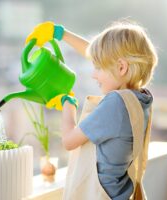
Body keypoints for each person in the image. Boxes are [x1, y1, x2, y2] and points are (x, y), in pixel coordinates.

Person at [25, 20, 158, 200]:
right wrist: (61, 34)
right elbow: (107, 58)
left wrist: (67, 102)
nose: (93, 74)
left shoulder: (115, 104)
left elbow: (69, 141)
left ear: (121, 67)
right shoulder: (140, 98)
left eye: (98, 68)